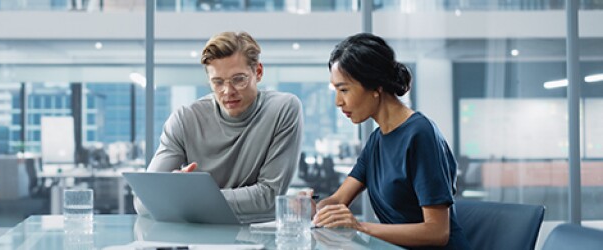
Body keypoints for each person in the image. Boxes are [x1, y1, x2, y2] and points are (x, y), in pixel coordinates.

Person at [310, 33, 470, 249]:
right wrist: (314, 207)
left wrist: (360, 226)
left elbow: (437, 232)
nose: (338, 102)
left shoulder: (420, 134)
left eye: (344, 89)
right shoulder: (377, 140)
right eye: (336, 90)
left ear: (376, 87)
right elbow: (339, 200)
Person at [134, 31, 304, 219]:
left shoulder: (283, 109)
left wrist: (185, 198)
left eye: (239, 79)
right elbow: (143, 201)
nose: (228, 91)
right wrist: (181, 193)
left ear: (258, 72)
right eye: (218, 82)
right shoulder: (185, 119)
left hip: (257, 237)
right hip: (197, 240)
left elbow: (268, 197)